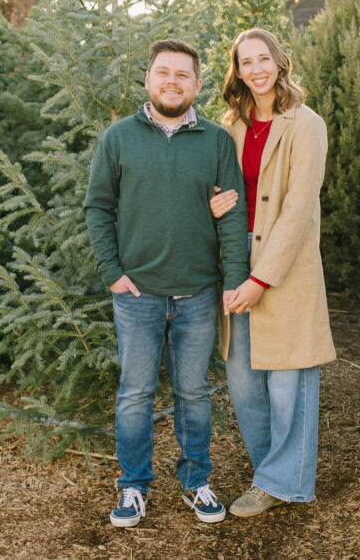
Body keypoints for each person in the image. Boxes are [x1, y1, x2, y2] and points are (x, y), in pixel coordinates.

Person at [84, 38, 249, 528]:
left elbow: (230, 216)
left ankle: (197, 481)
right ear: (149, 79)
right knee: (135, 393)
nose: (172, 81)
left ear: (197, 85)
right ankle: (133, 486)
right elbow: (98, 207)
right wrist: (112, 273)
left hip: (198, 293)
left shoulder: (217, 141)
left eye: (183, 74)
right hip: (138, 295)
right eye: (163, 72)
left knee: (194, 393)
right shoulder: (119, 137)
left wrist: (233, 278)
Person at [210, 27, 336, 517]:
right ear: (237, 71)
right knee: (241, 374)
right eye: (246, 62)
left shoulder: (306, 125)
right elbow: (222, 191)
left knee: (289, 377)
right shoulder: (231, 128)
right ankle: (270, 473)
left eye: (264, 59)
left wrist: (260, 279)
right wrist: (215, 205)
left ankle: (287, 482)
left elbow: (300, 207)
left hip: (284, 263)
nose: (256, 69)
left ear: (280, 63)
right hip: (234, 256)